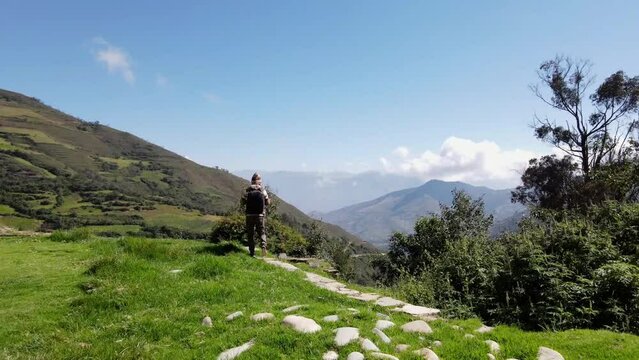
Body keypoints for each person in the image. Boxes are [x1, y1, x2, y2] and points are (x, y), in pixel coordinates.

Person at [245, 172, 271, 257]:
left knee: (250, 234)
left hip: (249, 215)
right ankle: (263, 247)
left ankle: (252, 252)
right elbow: (267, 202)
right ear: (259, 181)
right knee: (262, 232)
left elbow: (242, 202)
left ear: (252, 181)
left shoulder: (248, 189)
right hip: (260, 215)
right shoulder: (262, 190)